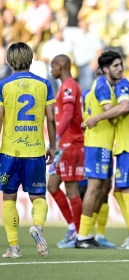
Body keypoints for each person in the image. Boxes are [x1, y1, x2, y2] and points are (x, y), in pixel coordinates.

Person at [0, 42, 56, 258]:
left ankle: (14, 247)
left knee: (9, 198)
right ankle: (38, 227)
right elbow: (51, 118)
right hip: (35, 150)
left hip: (10, 151)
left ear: (9, 60)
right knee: (38, 197)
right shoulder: (44, 84)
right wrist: (53, 145)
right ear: (31, 58)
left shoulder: (3, 85)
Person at [86, 76, 129, 249]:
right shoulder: (128, 86)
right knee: (118, 191)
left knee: (126, 190)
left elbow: (119, 111)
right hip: (126, 145)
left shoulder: (122, 85)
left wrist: (97, 117)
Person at [75, 51, 122, 249]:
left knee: (103, 189)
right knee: (94, 188)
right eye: (115, 66)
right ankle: (82, 236)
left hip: (104, 144)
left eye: (120, 65)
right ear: (104, 69)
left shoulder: (107, 85)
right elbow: (112, 114)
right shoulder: (102, 85)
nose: (120, 69)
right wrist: (128, 104)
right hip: (96, 144)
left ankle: (89, 233)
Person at [46, 54, 84, 249]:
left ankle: (79, 234)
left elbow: (68, 114)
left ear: (60, 66)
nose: (50, 70)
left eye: (52, 67)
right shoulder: (65, 86)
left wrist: (57, 137)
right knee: (52, 186)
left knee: (71, 190)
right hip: (64, 147)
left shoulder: (69, 86)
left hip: (72, 145)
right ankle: (72, 228)